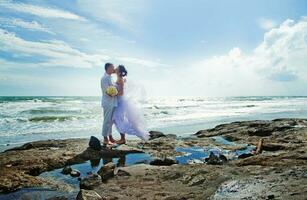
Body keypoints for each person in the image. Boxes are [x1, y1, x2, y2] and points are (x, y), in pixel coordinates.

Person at [112, 65, 150, 144]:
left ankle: (123, 139)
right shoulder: (120, 79)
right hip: (119, 102)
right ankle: (123, 138)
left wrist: (113, 94)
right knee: (119, 119)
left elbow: (121, 93)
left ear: (119, 71)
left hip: (120, 103)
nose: (115, 69)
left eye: (116, 68)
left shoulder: (120, 79)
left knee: (118, 119)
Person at [100, 63, 117, 145]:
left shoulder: (111, 77)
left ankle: (110, 136)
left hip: (113, 102)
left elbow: (113, 88)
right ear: (108, 68)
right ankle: (105, 138)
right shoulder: (104, 78)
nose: (114, 69)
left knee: (111, 121)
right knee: (107, 120)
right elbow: (107, 92)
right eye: (113, 67)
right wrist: (118, 93)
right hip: (107, 102)